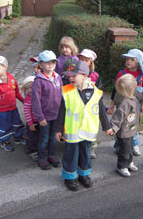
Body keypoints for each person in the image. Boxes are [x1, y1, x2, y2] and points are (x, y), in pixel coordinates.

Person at [55, 59, 113, 191]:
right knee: (71, 155)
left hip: (88, 131)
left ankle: (84, 175)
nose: (70, 78)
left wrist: (107, 127)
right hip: (73, 131)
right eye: (69, 76)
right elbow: (61, 111)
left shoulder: (96, 92)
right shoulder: (66, 91)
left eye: (74, 76)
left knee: (85, 154)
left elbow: (101, 112)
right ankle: (70, 177)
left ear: (85, 76)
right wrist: (58, 129)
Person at [110, 74, 143, 177]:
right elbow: (119, 116)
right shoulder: (125, 101)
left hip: (131, 128)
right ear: (131, 88)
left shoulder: (134, 94)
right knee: (125, 149)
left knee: (130, 147)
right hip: (124, 130)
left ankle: (129, 162)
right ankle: (121, 166)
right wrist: (113, 128)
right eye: (134, 82)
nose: (137, 83)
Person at [107, 49, 143, 156]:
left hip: (135, 105)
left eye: (132, 59)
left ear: (138, 62)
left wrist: (142, 104)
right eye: (127, 59)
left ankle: (134, 144)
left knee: (133, 124)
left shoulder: (142, 75)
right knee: (121, 123)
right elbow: (115, 89)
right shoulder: (122, 73)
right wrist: (112, 105)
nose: (128, 61)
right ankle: (118, 144)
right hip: (122, 104)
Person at [32, 50, 63, 170]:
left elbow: (61, 96)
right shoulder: (38, 81)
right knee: (44, 138)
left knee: (53, 137)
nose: (50, 65)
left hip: (56, 115)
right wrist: (40, 118)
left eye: (53, 62)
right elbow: (35, 101)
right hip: (44, 117)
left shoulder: (58, 77)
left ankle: (52, 156)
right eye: (47, 62)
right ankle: (42, 158)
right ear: (40, 64)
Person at [0, 56, 26, 152]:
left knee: (16, 123)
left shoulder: (11, 78)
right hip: (2, 111)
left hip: (13, 108)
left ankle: (18, 137)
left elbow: (16, 91)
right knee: (4, 126)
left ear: (5, 67)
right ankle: (5, 141)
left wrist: (22, 100)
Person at [77, 48, 102, 159]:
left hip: (91, 106)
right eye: (81, 59)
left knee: (91, 127)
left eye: (86, 60)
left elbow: (99, 90)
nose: (83, 62)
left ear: (91, 62)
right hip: (79, 105)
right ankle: (79, 144)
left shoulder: (95, 76)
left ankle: (91, 147)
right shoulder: (76, 74)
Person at [22, 76, 39, 162]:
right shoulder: (28, 100)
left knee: (39, 136)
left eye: (31, 87)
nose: (29, 90)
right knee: (32, 138)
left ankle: (37, 148)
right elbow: (27, 113)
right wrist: (30, 124)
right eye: (27, 88)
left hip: (39, 121)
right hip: (32, 123)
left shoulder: (39, 96)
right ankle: (32, 151)